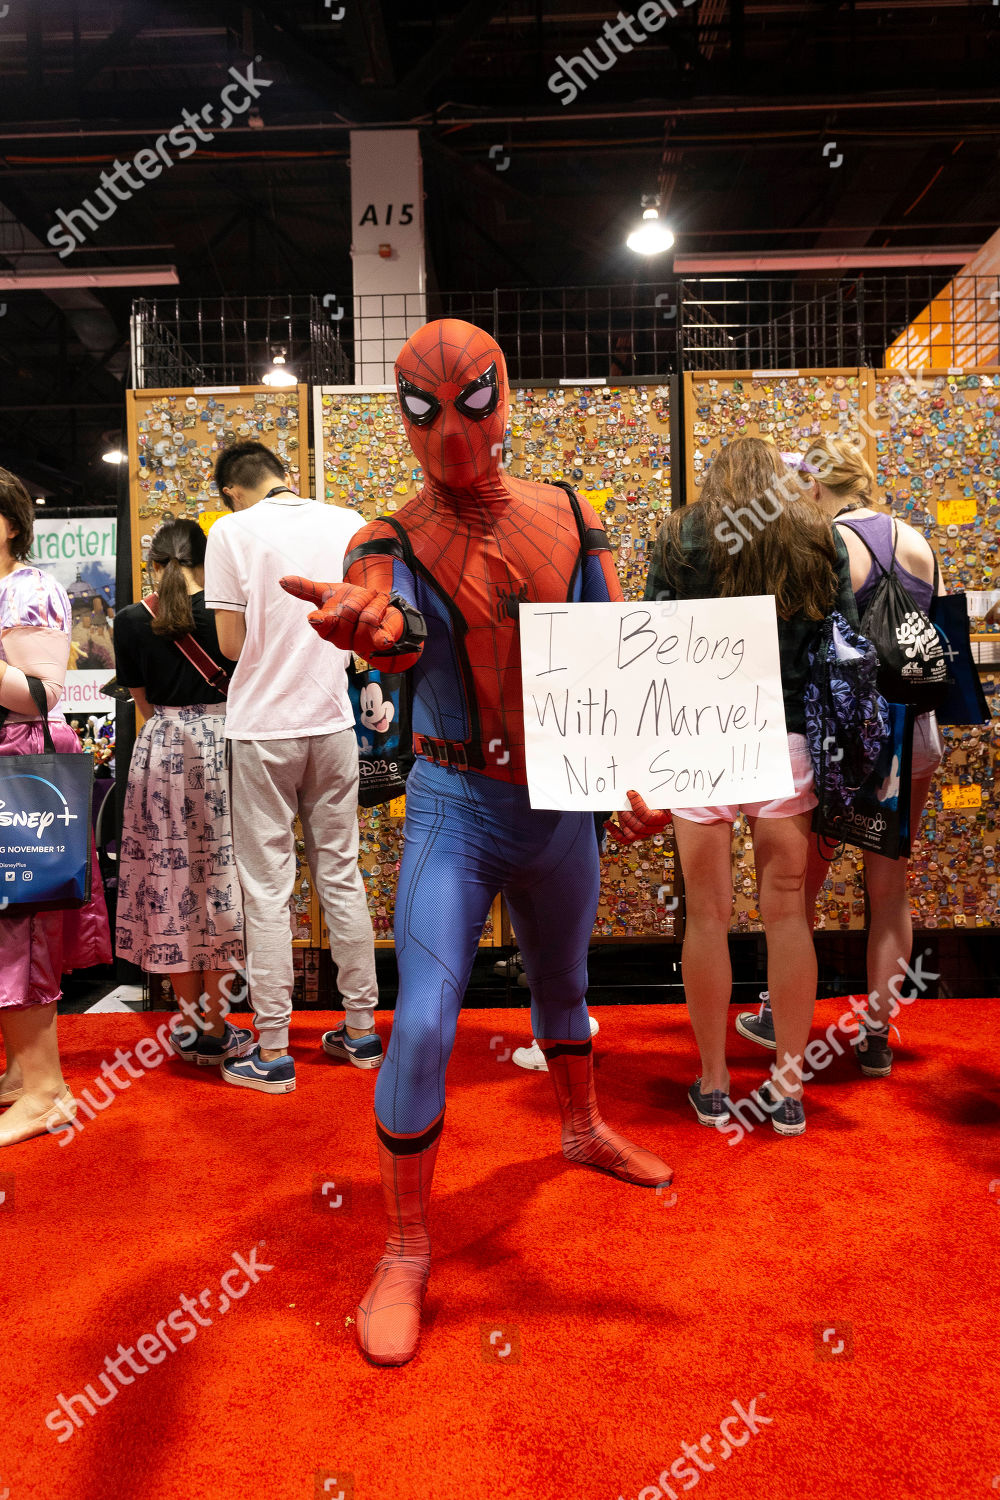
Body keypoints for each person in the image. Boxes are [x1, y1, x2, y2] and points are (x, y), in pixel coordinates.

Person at [282, 318, 672, 1367]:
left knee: (564, 990)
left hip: (558, 805)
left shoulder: (573, 515)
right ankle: (405, 1243)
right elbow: (395, 626)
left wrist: (639, 773)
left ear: (505, 393)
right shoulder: (387, 538)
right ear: (401, 411)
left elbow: (610, 652)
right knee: (420, 1028)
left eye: (471, 398)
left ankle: (579, 1128)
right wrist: (376, 631)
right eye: (423, 405)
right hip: (455, 802)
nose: (452, 427)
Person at [619, 436, 859, 1138]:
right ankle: (787, 1088)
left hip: (699, 739)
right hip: (784, 742)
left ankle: (715, 1081)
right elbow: (837, 639)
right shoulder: (817, 535)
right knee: (787, 913)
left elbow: (652, 639)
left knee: (707, 916)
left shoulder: (681, 535)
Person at [735, 436, 944, 1078]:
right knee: (890, 887)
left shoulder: (827, 544)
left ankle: (780, 1011)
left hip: (844, 739)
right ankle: (877, 1035)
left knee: (802, 884)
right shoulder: (918, 541)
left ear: (817, 486)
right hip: (913, 736)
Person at [204, 441, 381, 1093]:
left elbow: (229, 644)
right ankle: (361, 1030)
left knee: (267, 887)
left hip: (263, 729)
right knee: (341, 873)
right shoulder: (347, 520)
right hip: (332, 725)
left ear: (232, 490)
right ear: (285, 476)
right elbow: (364, 630)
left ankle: (273, 1047)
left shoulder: (230, 530)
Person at [113, 519, 253, 1067]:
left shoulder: (129, 620)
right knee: (223, 883)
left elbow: (141, 701)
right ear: (208, 562)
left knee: (169, 884)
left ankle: (191, 1029)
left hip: (161, 751)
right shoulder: (226, 615)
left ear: (154, 564)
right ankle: (217, 1028)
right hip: (225, 746)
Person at [0, 467, 112, 1147]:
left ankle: (46, 1091)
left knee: (22, 925)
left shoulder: (31, 589)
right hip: (13, 766)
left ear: (9, 522)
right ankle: (23, 1074)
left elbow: (43, 695)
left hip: (19, 766)